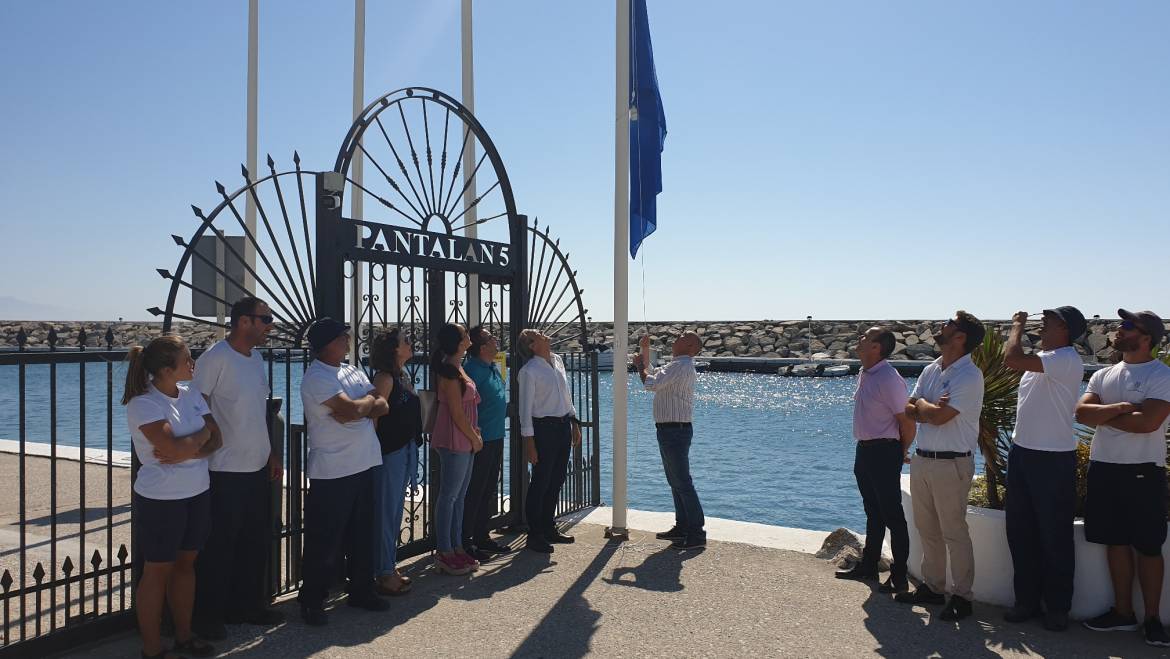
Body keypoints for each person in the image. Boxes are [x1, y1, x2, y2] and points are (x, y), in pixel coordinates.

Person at [1076, 309, 1170, 647]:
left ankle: (1153, 619)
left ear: (1146, 338)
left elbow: (1148, 423)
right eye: (1120, 324)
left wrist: (1104, 414)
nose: (1119, 329)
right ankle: (1123, 613)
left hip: (1144, 469)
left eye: (1128, 326)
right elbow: (1082, 413)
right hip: (1105, 467)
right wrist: (1122, 408)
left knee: (1147, 546)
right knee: (1114, 541)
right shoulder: (1103, 375)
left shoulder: (1162, 375)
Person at [124, 335, 221, 659]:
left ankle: (183, 636)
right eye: (187, 360)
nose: (193, 364)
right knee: (157, 570)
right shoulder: (144, 403)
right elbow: (176, 448)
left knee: (186, 565)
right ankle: (152, 649)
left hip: (197, 491)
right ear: (167, 369)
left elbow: (215, 438)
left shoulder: (191, 394)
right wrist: (195, 442)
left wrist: (188, 447)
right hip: (162, 499)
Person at [192, 297, 284, 639]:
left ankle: (249, 606)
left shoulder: (256, 358)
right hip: (225, 468)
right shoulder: (216, 358)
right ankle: (211, 617)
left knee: (254, 541)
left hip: (256, 465)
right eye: (265, 319)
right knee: (220, 546)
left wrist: (273, 452)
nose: (269, 326)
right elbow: (195, 400)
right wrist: (212, 432)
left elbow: (261, 410)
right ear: (244, 321)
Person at [298, 318, 390, 626]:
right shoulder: (316, 377)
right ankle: (312, 600)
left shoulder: (350, 370)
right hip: (333, 470)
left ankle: (361, 590)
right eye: (342, 338)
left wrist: (358, 408)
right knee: (324, 539)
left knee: (362, 534)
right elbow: (356, 408)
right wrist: (362, 407)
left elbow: (380, 404)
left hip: (363, 462)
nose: (347, 342)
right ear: (326, 344)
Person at [895, 311, 985, 622]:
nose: (941, 325)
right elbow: (910, 409)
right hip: (924, 458)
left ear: (960, 337)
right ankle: (933, 587)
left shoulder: (969, 376)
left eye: (948, 322)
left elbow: (942, 417)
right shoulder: (932, 368)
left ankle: (962, 596)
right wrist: (926, 407)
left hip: (952, 463)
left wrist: (924, 408)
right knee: (927, 529)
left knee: (954, 532)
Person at [1001, 307, 1086, 632]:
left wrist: (1017, 326)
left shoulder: (1065, 358)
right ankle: (1026, 601)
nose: (1042, 323)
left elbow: (1012, 357)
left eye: (1048, 321)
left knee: (1055, 536)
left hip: (1053, 458)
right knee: (1020, 532)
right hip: (1023, 454)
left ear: (1064, 328)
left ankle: (1058, 607)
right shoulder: (1046, 359)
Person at [836, 327, 915, 592]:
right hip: (866, 450)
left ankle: (899, 575)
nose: (859, 339)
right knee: (873, 511)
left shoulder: (889, 378)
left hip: (884, 451)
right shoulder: (866, 372)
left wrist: (901, 451)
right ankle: (869, 566)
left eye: (866, 337)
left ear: (876, 347)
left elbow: (907, 421)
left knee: (893, 515)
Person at [636, 331, 706, 550]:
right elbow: (653, 374)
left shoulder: (681, 366)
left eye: (684, 336)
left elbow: (650, 383)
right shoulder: (676, 365)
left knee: (682, 482)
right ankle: (682, 526)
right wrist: (645, 350)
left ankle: (695, 532)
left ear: (691, 347)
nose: (677, 336)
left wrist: (639, 366)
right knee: (676, 481)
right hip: (671, 429)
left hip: (675, 430)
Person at [517, 329, 581, 553]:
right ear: (532, 346)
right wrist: (529, 443)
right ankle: (534, 534)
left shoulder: (558, 360)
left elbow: (565, 394)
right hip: (543, 430)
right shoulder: (528, 372)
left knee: (557, 479)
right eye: (539, 334)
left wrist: (573, 421)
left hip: (562, 425)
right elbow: (525, 411)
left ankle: (548, 526)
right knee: (541, 482)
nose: (545, 335)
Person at [369, 328, 421, 595]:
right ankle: (383, 572)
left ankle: (388, 565)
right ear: (393, 349)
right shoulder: (385, 378)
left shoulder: (401, 376)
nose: (411, 344)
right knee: (386, 514)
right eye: (406, 341)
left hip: (403, 451)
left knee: (394, 511)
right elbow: (374, 419)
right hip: (388, 455)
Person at [430, 323, 483, 574]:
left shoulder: (458, 368)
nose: (468, 337)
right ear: (458, 342)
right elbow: (456, 412)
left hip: (464, 438)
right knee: (449, 496)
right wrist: (473, 436)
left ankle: (457, 546)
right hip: (455, 440)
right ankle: (444, 550)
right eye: (464, 335)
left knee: (459, 497)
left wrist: (473, 435)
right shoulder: (450, 372)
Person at [462, 325, 512, 561]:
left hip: (496, 436)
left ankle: (482, 537)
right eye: (491, 338)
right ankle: (466, 541)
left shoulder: (491, 366)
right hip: (479, 440)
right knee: (474, 491)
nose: (496, 340)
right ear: (482, 347)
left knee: (488, 489)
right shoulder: (471, 370)